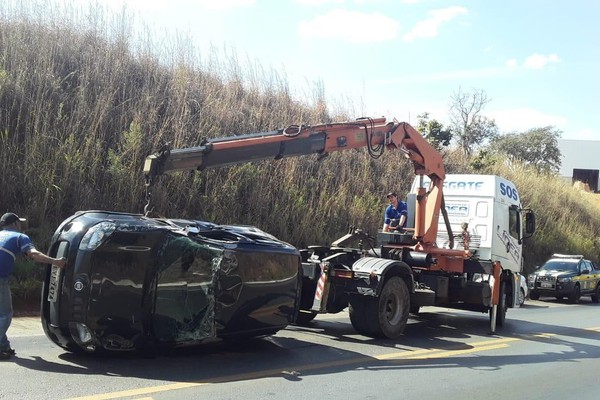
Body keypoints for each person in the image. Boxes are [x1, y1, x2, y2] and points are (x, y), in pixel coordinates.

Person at [0, 212, 66, 360]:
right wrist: (56, 262)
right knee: (5, 315)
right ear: (16, 224)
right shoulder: (20, 237)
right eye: (20, 223)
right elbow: (34, 255)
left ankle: (4, 347)